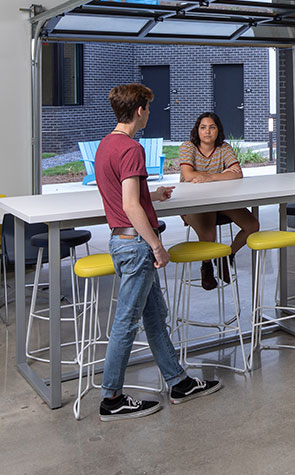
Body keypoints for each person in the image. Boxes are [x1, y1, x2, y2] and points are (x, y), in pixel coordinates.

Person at [94, 83, 220, 421]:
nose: (150, 112)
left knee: (154, 316)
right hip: (135, 245)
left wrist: (156, 195)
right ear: (139, 111)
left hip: (121, 241)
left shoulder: (107, 145)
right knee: (127, 322)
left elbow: (129, 193)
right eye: (149, 107)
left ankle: (178, 382)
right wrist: (156, 245)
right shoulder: (132, 148)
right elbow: (130, 204)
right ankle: (112, 397)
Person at [177, 112, 259, 290]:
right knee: (209, 233)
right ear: (197, 130)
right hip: (192, 203)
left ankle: (226, 255)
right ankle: (206, 266)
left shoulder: (224, 148)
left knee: (252, 225)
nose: (207, 131)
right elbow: (188, 175)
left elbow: (238, 174)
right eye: (203, 127)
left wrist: (210, 178)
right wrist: (223, 175)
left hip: (221, 202)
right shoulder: (188, 147)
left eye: (212, 127)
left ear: (218, 130)